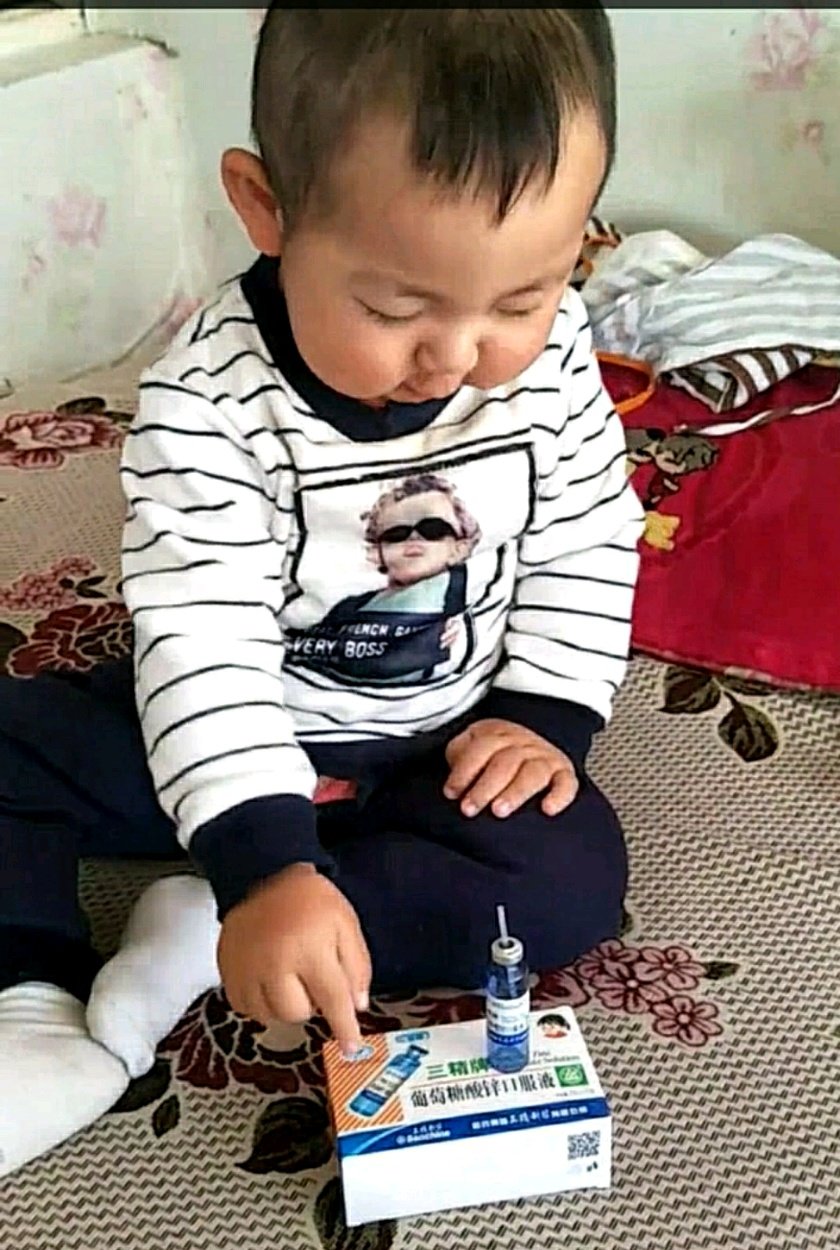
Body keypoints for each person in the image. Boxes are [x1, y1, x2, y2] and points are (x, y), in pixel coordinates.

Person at [0, 6, 644, 1178]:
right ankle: (29, 994)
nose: (458, 355)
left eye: (522, 298)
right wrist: (260, 849)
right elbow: (203, 639)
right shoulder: (205, 403)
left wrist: (544, 713)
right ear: (268, 208)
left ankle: (213, 930)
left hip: (442, 740)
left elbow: (591, 534)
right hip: (239, 716)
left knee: (568, 882)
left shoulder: (552, 360)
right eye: (396, 308)